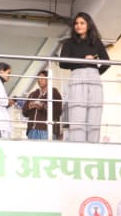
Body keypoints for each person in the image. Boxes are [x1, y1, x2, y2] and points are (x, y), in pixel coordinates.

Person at [59, 12, 109, 143]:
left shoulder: (96, 42)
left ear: (88, 25)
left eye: (82, 23)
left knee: (94, 115)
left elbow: (107, 62)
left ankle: (93, 146)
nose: (78, 26)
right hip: (77, 76)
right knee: (77, 115)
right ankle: (78, 147)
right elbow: (62, 63)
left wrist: (95, 72)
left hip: (94, 78)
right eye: (76, 23)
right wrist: (83, 60)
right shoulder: (69, 43)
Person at [20, 70, 62, 140]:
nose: (39, 80)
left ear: (48, 79)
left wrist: (42, 107)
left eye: (42, 78)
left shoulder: (54, 93)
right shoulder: (33, 94)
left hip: (46, 130)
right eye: (38, 78)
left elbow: (57, 112)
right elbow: (24, 112)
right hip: (32, 131)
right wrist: (29, 106)